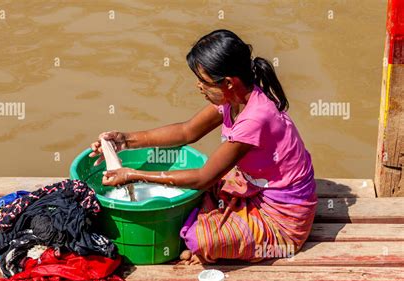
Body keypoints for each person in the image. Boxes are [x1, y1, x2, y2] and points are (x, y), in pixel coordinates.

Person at [89, 29, 317, 265]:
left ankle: (225, 234)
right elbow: (187, 131)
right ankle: (223, 221)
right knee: (194, 190)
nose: (199, 87)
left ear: (228, 83)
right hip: (253, 183)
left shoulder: (255, 118)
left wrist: (133, 175)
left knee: (201, 238)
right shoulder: (234, 98)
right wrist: (124, 141)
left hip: (283, 216)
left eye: (204, 81)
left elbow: (202, 178)